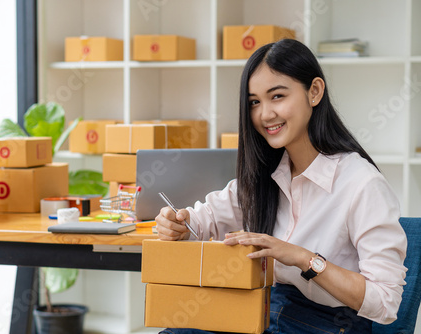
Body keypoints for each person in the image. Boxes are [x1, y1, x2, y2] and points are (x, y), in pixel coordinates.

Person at [155, 39, 407, 334]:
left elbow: (386, 303)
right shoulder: (267, 174)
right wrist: (178, 224)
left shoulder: (362, 183)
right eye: (254, 102)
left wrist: (302, 258)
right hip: (268, 311)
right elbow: (204, 218)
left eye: (277, 96)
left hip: (330, 324)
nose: (265, 114)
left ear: (314, 92)